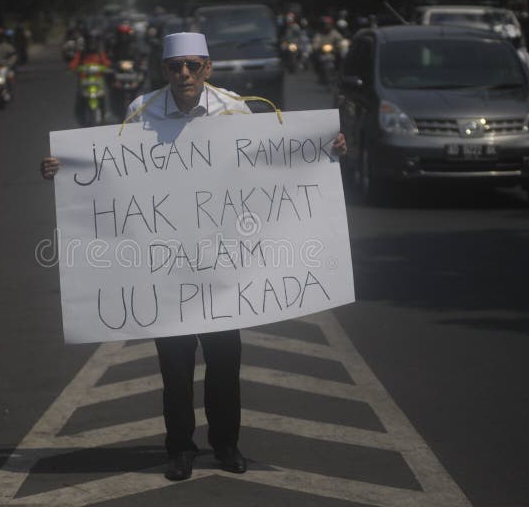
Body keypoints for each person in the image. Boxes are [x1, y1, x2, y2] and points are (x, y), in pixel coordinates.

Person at [39, 32, 346, 481]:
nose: (183, 74)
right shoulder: (140, 112)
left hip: (223, 262)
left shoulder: (234, 108)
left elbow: (268, 162)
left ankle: (226, 444)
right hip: (168, 266)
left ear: (208, 68)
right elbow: (109, 172)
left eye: (192, 65)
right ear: (163, 70)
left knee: (225, 361)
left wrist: (328, 149)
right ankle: (180, 448)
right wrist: (59, 169)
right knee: (175, 365)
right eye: (174, 67)